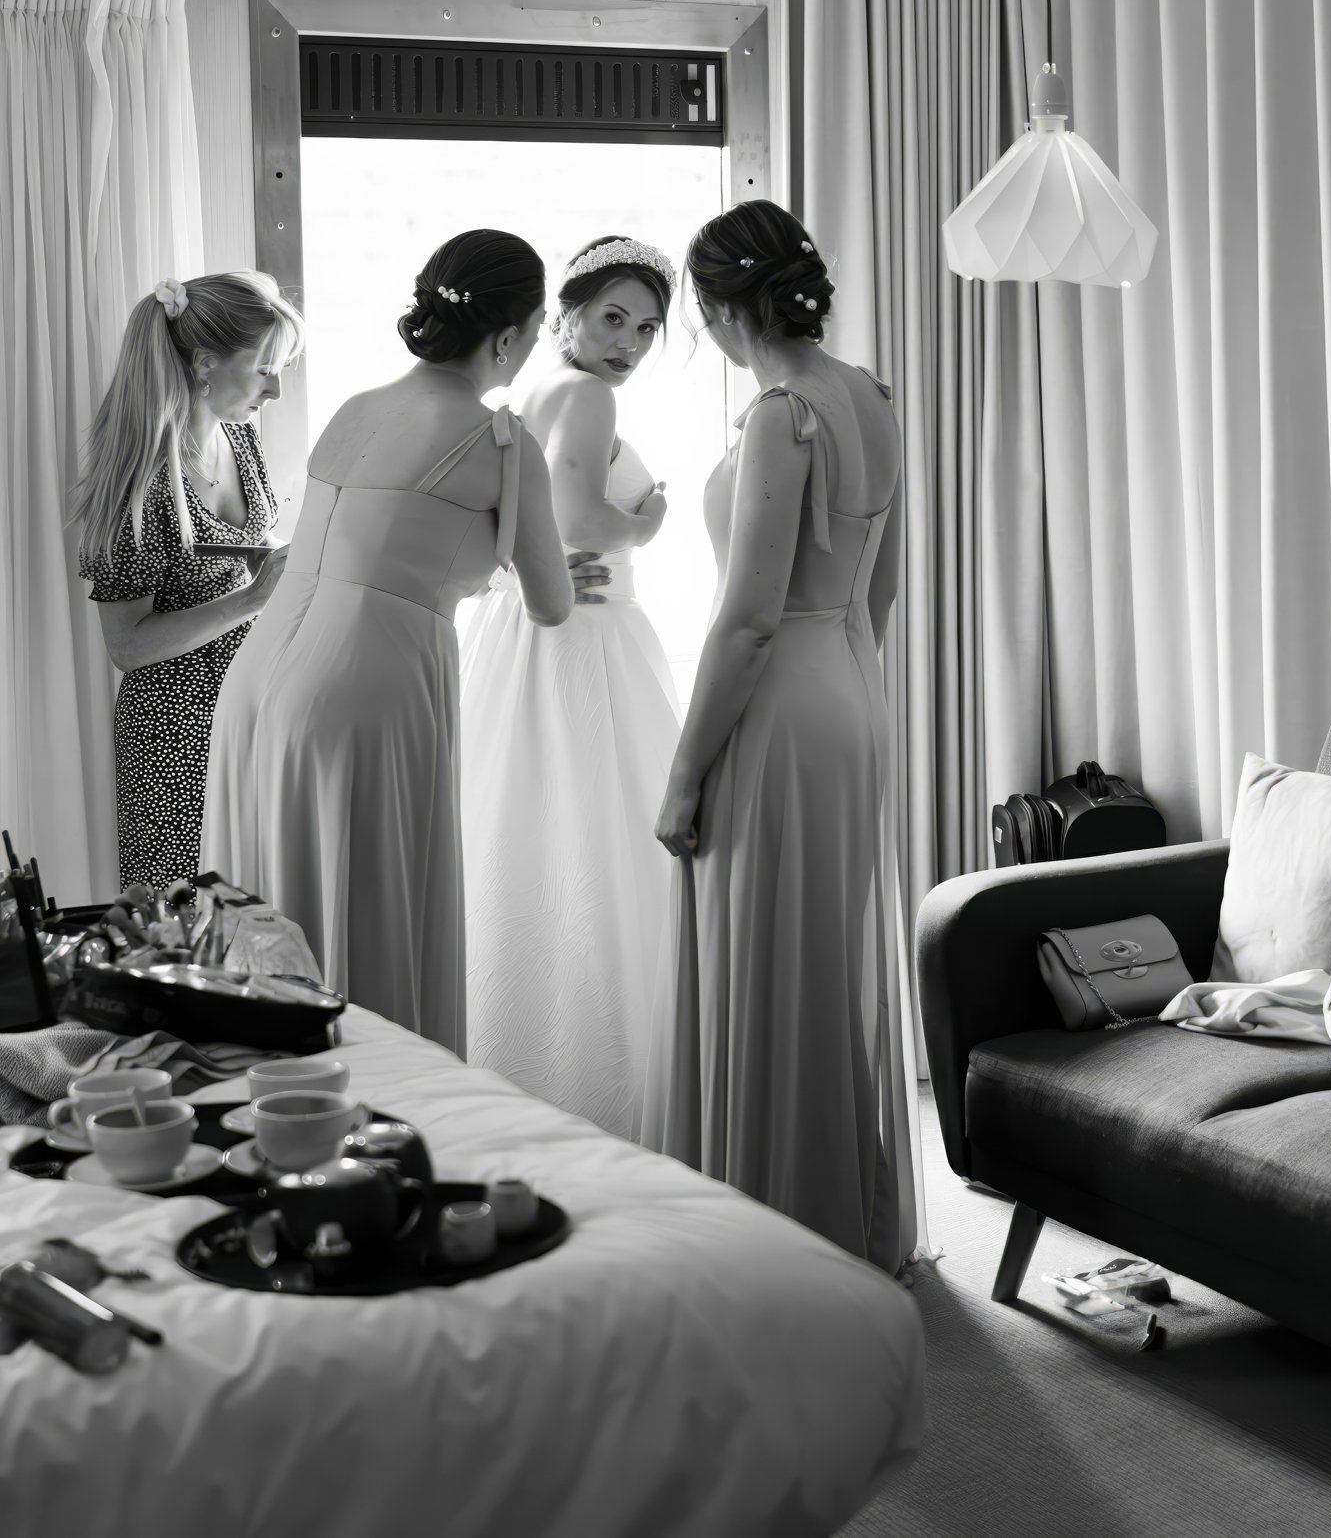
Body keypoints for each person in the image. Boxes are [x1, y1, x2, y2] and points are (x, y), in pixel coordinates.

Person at [204, 230, 589, 1052]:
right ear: (511, 335)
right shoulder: (502, 443)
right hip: (365, 686)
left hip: (258, 677)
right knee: (365, 916)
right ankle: (377, 1109)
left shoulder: (354, 408)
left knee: (270, 914)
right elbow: (553, 601)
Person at [650, 199, 919, 1270]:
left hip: (783, 705)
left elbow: (749, 619)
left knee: (767, 960)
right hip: (853, 690)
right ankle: (828, 1210)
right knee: (817, 961)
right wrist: (851, 683)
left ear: (719, 309)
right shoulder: (873, 396)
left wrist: (683, 773)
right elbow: (883, 594)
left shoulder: (779, 413)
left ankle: (770, 1234)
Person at [461, 235, 680, 1142]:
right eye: (612, 317)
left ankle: (516, 1064)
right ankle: (606, 1083)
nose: (627, 341)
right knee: (605, 850)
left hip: (520, 632)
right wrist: (653, 518)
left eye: (647, 327)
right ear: (569, 313)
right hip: (584, 636)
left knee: (530, 839)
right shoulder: (586, 393)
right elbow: (581, 518)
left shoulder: (528, 389)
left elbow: (522, 520)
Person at [71, 273, 303, 890]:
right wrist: (253, 598)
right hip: (174, 738)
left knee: (254, 917)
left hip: (247, 716)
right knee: (185, 936)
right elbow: (127, 645)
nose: (277, 390)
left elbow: (253, 549)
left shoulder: (240, 440)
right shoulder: (139, 483)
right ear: (205, 362)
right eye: (264, 370)